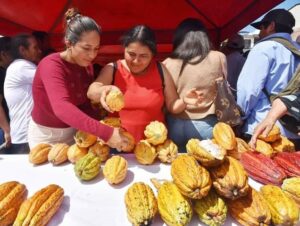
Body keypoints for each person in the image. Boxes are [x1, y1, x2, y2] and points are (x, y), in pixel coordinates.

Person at [28, 8, 127, 150]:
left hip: (76, 132)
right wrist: (106, 132)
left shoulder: (87, 66)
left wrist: (104, 121)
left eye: (96, 48)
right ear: (69, 43)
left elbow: (84, 105)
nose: (92, 55)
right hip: (46, 135)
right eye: (86, 48)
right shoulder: (51, 65)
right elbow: (62, 108)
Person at [88, 25, 198, 143]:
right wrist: (105, 89)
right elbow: (91, 92)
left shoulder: (160, 69)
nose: (136, 61)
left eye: (144, 56)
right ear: (124, 49)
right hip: (118, 144)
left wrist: (184, 101)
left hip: (154, 146)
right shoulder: (113, 69)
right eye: (131, 54)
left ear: (152, 55)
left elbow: (172, 105)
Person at [237, 9, 300, 148]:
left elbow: (248, 90)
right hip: (294, 129)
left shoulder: (264, 48)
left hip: (263, 129)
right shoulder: (297, 49)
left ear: (271, 26)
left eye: (261, 28)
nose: (259, 33)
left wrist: (240, 118)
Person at [163, 18, 227, 151]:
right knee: (207, 167)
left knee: (178, 167)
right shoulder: (218, 57)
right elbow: (224, 88)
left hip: (174, 124)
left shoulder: (167, 63)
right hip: (207, 124)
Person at [3, 34, 41, 154]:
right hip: (26, 138)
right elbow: (50, 79)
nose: (39, 51)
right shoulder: (22, 67)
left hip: (23, 136)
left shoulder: (16, 67)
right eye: (35, 47)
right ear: (22, 50)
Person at [223, 34, 246, 98]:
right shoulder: (244, 60)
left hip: (227, 97)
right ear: (242, 47)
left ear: (227, 47)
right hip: (238, 96)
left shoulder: (224, 59)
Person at [0, 37, 12, 148]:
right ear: (3, 54)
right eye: (12, 53)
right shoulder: (1, 73)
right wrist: (7, 130)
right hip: (3, 128)